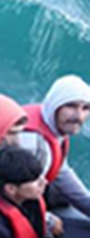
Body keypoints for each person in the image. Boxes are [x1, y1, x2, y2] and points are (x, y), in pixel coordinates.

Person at [22, 75, 90, 209]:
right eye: (71, 106)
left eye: (85, 108)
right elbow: (17, 193)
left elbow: (60, 172)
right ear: (55, 106)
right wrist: (48, 221)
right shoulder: (34, 144)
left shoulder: (53, 125)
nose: (79, 116)